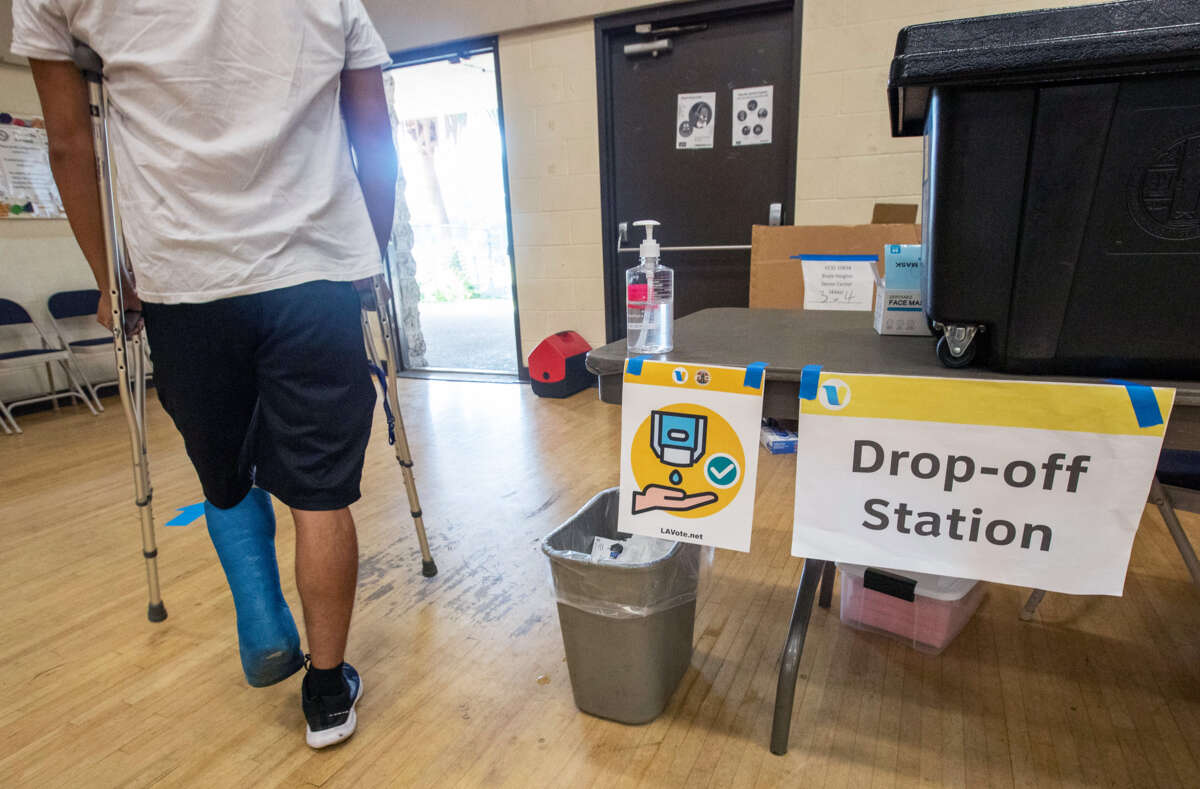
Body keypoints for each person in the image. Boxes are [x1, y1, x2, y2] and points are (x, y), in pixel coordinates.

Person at [11, 0, 399, 749]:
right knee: (319, 491)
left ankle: (259, 606)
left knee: (223, 466)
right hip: (312, 268)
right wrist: (369, 255)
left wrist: (106, 275)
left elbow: (67, 145)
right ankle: (326, 693)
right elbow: (373, 132)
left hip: (182, 280)